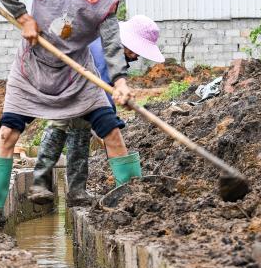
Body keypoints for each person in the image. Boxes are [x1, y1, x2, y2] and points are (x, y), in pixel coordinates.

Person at [0, 0, 143, 222]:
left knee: (112, 132)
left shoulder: (106, 1)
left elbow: (110, 43)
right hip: (30, 71)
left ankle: (137, 203)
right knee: (7, 134)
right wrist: (24, 17)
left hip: (77, 76)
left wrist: (120, 81)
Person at [28, 14, 166, 206]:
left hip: (82, 91)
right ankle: (41, 183)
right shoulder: (104, 51)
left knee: (80, 133)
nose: (136, 56)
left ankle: (76, 192)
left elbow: (108, 88)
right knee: (59, 127)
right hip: (66, 84)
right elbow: (102, 95)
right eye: (135, 51)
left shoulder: (113, 51)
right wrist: (110, 125)